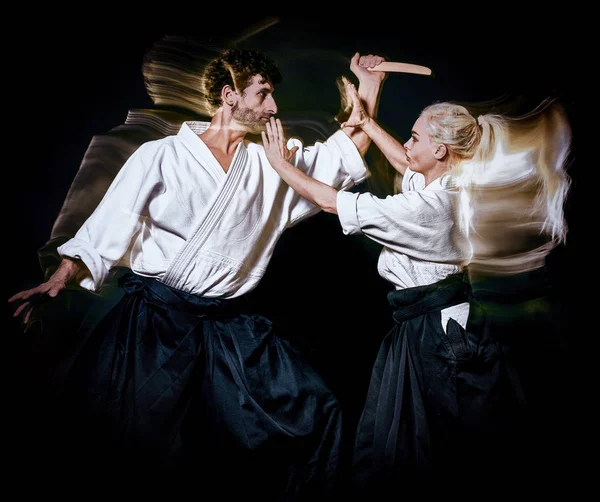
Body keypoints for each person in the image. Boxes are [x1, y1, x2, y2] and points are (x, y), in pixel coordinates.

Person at [9, 48, 386, 497]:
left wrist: (370, 86)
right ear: (229, 95)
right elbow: (108, 222)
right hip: (155, 324)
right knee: (147, 447)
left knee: (312, 413)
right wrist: (61, 275)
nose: (273, 108)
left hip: (227, 326)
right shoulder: (161, 154)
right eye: (263, 94)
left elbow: (344, 156)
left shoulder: (271, 160)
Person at [261, 79, 572, 485]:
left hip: (443, 335)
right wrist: (367, 123)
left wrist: (281, 166)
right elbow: (407, 166)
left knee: (440, 442)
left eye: (415, 136)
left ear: (440, 149)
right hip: (432, 324)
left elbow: (331, 201)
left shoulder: (433, 206)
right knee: (413, 437)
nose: (407, 144)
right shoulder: (446, 181)